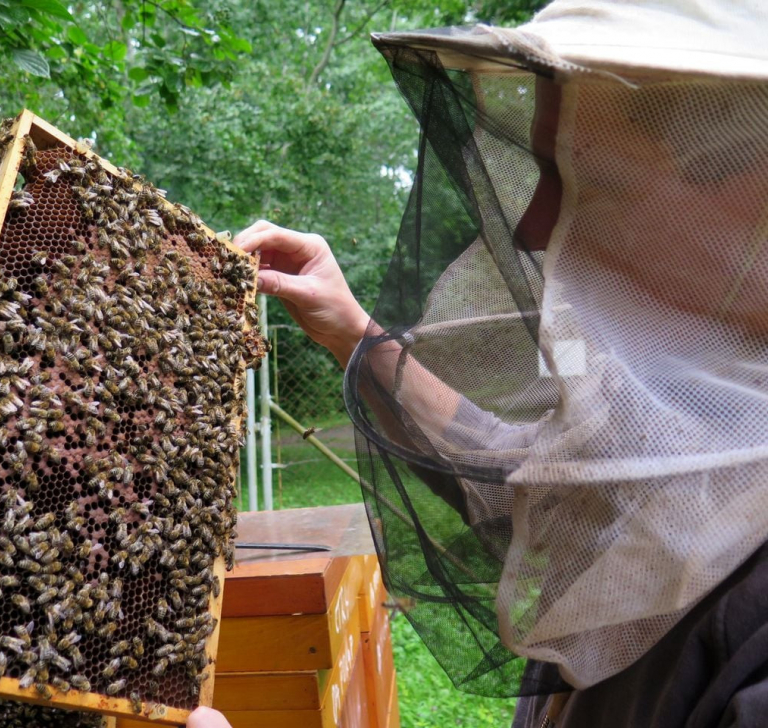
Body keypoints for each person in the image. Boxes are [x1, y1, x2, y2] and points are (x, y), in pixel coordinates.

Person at [194, 1, 768, 726]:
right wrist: (354, 333)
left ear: (754, 200)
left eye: (594, 182)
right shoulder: (690, 413)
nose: (531, 225)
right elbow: (512, 474)